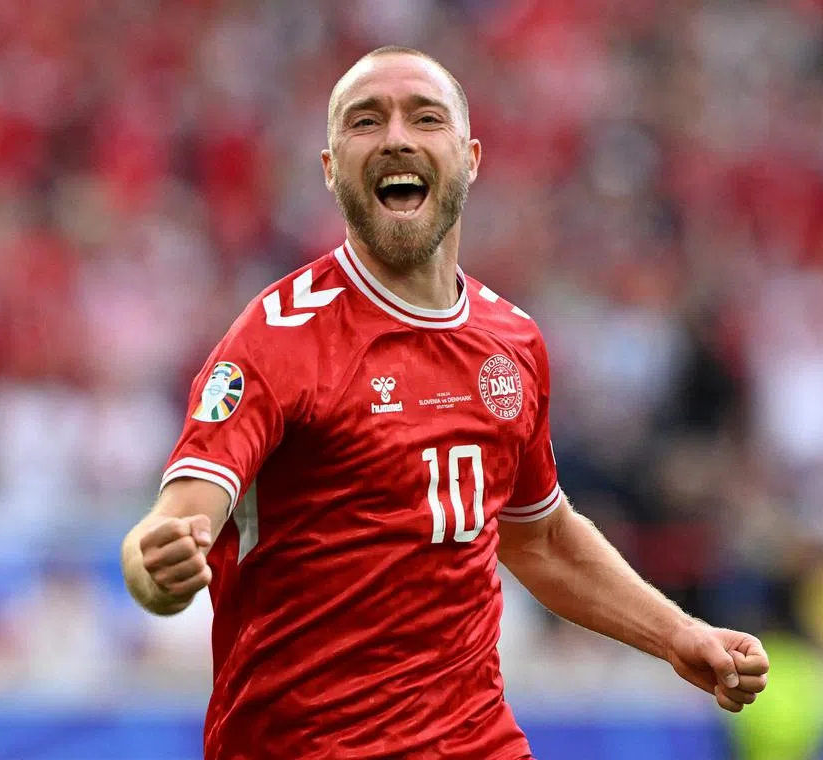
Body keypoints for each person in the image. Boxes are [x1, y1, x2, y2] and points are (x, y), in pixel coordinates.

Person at [121, 45, 769, 760]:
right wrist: (156, 569)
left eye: (424, 118)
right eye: (366, 121)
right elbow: (173, 526)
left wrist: (678, 633)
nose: (397, 136)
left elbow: (542, 538)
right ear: (332, 171)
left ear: (470, 158)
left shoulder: (510, 344)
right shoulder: (274, 342)